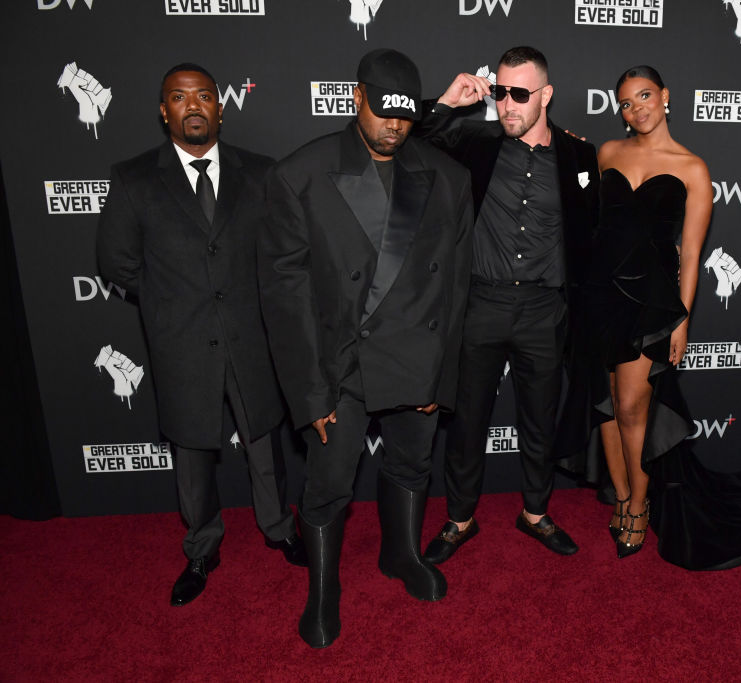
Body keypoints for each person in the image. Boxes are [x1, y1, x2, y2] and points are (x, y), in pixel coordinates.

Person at [258, 48, 474, 649]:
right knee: (329, 483)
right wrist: (311, 393)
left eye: (405, 115)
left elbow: (456, 291)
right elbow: (285, 298)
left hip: (415, 357)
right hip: (339, 365)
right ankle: (323, 590)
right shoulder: (300, 174)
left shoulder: (449, 177)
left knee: (412, 464)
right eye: (383, 112)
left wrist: (441, 378)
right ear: (357, 98)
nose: (394, 126)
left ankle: (401, 554)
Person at [559, 65, 741, 567]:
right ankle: (620, 493)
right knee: (604, 402)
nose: (637, 109)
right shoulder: (607, 152)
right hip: (599, 293)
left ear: (665, 97)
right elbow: (586, 214)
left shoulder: (693, 168)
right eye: (627, 102)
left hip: (650, 301)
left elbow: (692, 254)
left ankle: (639, 502)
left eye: (645, 96)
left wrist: (681, 319)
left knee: (632, 405)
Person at [96, 63, 306, 608]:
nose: (193, 106)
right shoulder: (134, 178)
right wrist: (172, 302)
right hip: (182, 344)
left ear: (220, 107)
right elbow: (117, 262)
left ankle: (279, 528)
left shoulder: (259, 172)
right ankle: (201, 548)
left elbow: (281, 250)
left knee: (265, 444)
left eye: (204, 96)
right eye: (179, 97)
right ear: (163, 110)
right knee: (190, 455)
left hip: (252, 338)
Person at [415, 46, 600, 563]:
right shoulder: (475, 142)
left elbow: (591, 233)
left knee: (540, 420)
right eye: (499, 92)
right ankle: (460, 518)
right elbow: (408, 142)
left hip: (544, 310)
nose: (507, 105)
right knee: (467, 421)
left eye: (520, 94)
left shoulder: (579, 156)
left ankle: (535, 513)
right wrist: (447, 103)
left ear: (546, 95)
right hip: (481, 303)